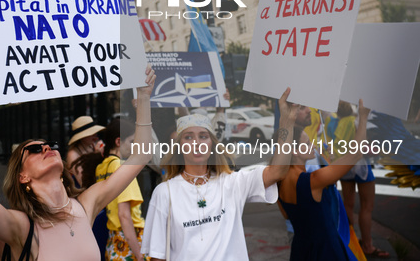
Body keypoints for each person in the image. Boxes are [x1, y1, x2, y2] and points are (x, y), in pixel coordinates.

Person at [0, 65, 155, 261]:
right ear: (22, 176)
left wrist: (144, 98)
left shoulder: (85, 205)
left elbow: (141, 156)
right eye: (34, 150)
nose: (46, 148)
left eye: (50, 145)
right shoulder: (22, 226)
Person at [141, 88, 298, 260]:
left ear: (212, 144)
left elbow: (278, 171)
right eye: (188, 137)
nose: (196, 143)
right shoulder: (164, 193)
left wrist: (287, 121)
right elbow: (157, 256)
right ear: (179, 146)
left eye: (203, 136)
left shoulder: (232, 183)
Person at [277, 99, 371, 261]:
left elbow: (287, 215)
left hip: (301, 249)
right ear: (294, 151)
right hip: (325, 250)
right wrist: (363, 117)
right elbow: (356, 153)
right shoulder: (314, 180)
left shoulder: (279, 181)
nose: (313, 145)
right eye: (307, 143)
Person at [326, 101, 389, 259]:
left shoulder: (331, 123)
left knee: (348, 204)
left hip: (344, 166)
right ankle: (368, 245)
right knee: (367, 207)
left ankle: (350, 240)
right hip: (361, 167)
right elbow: (364, 147)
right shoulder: (356, 122)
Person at [95, 118, 147, 261]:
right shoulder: (121, 167)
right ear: (118, 142)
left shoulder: (102, 167)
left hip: (113, 241)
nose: (134, 147)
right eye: (131, 142)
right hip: (130, 240)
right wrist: (139, 256)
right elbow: (124, 215)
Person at [66, 116, 106, 188]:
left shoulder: (92, 145)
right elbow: (83, 182)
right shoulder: (72, 154)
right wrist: (96, 156)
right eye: (91, 133)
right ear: (82, 136)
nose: (95, 135)